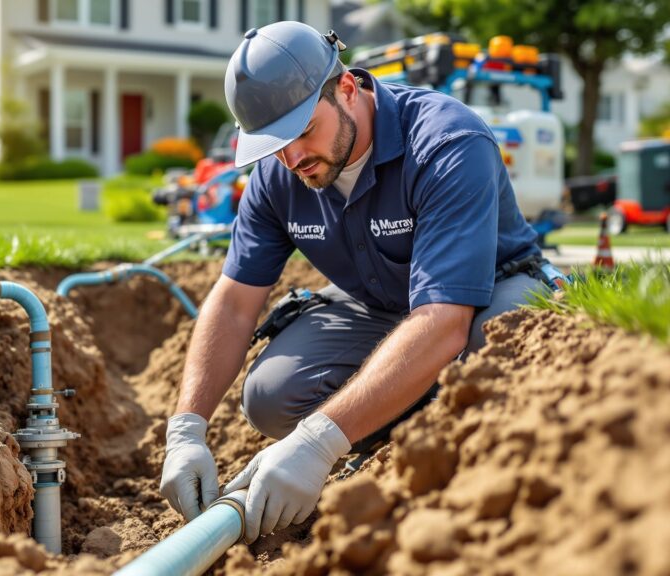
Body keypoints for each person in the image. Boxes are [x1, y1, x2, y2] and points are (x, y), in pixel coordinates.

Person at [159, 21, 553, 544]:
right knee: (270, 396)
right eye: (273, 144)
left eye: (301, 132)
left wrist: (318, 442)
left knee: (498, 349)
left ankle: (438, 437)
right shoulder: (279, 176)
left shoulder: (446, 142)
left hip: (481, 295)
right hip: (382, 302)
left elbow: (443, 319)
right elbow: (233, 304)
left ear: (347, 88)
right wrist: (186, 430)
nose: (292, 158)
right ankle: (391, 421)